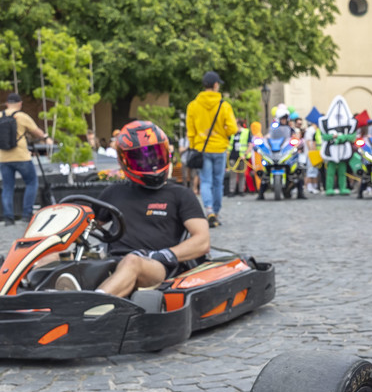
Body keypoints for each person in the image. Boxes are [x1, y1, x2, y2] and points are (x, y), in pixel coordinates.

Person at [55, 120, 210, 298]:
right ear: (124, 162)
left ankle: (94, 302)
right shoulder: (114, 192)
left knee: (132, 262)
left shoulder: (180, 194)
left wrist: (163, 255)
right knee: (53, 255)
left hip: (156, 266)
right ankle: (37, 295)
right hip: (112, 262)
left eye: (155, 155)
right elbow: (88, 224)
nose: (150, 162)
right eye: (140, 158)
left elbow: (202, 241)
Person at [185, 71, 239, 228]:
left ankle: (208, 210)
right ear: (215, 85)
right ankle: (216, 212)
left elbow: (190, 131)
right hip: (219, 148)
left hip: (202, 149)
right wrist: (222, 132)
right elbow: (233, 128)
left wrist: (195, 145)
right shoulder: (224, 105)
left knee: (206, 181)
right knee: (218, 182)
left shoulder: (193, 105)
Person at [0, 94, 48, 225]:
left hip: (3, 157)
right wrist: (45, 136)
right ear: (20, 104)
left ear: (7, 104)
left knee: (7, 187)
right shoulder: (22, 117)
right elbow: (37, 133)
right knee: (31, 182)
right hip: (21, 156)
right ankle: (27, 214)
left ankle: (8, 218)